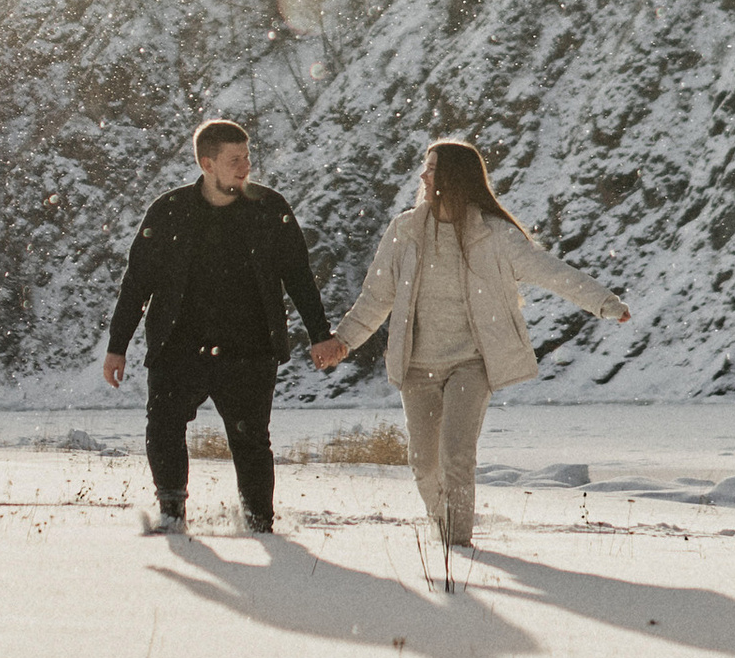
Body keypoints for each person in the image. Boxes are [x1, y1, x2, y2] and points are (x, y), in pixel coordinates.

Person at [329, 136, 629, 558]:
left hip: (471, 363)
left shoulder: (494, 235)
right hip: (416, 366)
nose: (422, 175)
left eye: (431, 168)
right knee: (424, 464)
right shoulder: (405, 231)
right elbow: (377, 296)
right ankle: (444, 525)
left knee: (456, 455)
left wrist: (604, 303)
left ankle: (458, 548)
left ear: (452, 177)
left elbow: (550, 271)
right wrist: (344, 340)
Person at [103, 119, 344, 535]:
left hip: (250, 349)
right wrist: (117, 345)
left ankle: (259, 523)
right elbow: (137, 283)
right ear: (207, 163)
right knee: (163, 427)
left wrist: (320, 334)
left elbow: (299, 277)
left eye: (248, 157)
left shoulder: (270, 209)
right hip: (178, 345)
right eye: (235, 160)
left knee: (251, 441)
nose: (245, 167)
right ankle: (172, 515)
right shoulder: (169, 210)